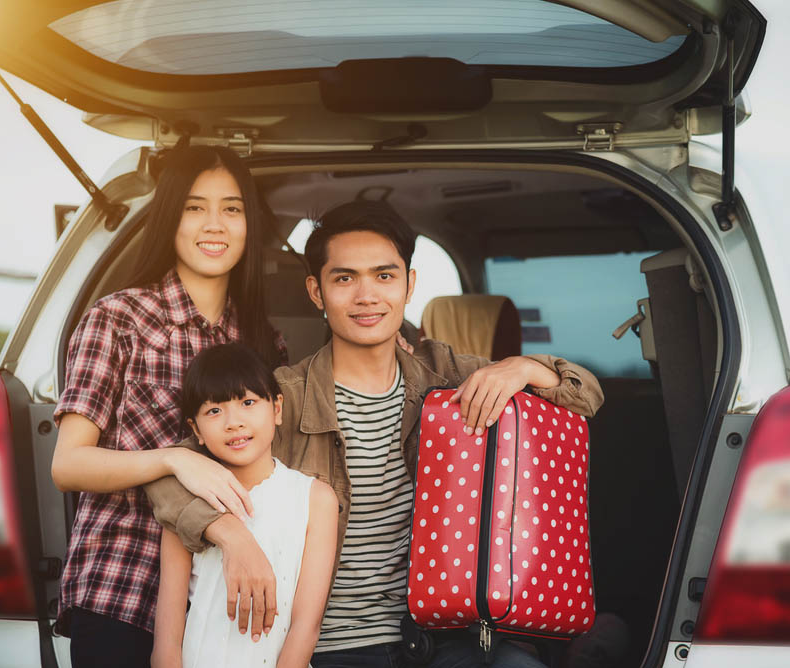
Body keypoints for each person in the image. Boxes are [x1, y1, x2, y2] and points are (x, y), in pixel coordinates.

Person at [146, 200, 605, 667]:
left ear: (410, 285)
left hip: (434, 634)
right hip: (322, 644)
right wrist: (228, 533)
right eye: (345, 278)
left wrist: (525, 368)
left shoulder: (448, 375)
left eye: (385, 276)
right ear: (316, 291)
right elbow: (171, 476)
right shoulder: (280, 398)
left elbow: (586, 394)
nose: (367, 296)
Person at [50, 145, 288, 668]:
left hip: (224, 602)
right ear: (169, 217)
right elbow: (68, 464)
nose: (214, 224)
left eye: (231, 208)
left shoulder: (261, 342)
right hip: (125, 587)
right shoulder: (118, 318)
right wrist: (175, 457)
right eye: (194, 206)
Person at [152, 342, 337, 668]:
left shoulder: (315, 499)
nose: (233, 422)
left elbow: (306, 628)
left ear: (277, 408)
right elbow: (167, 638)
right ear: (195, 430)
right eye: (214, 411)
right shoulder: (188, 506)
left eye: (248, 402)